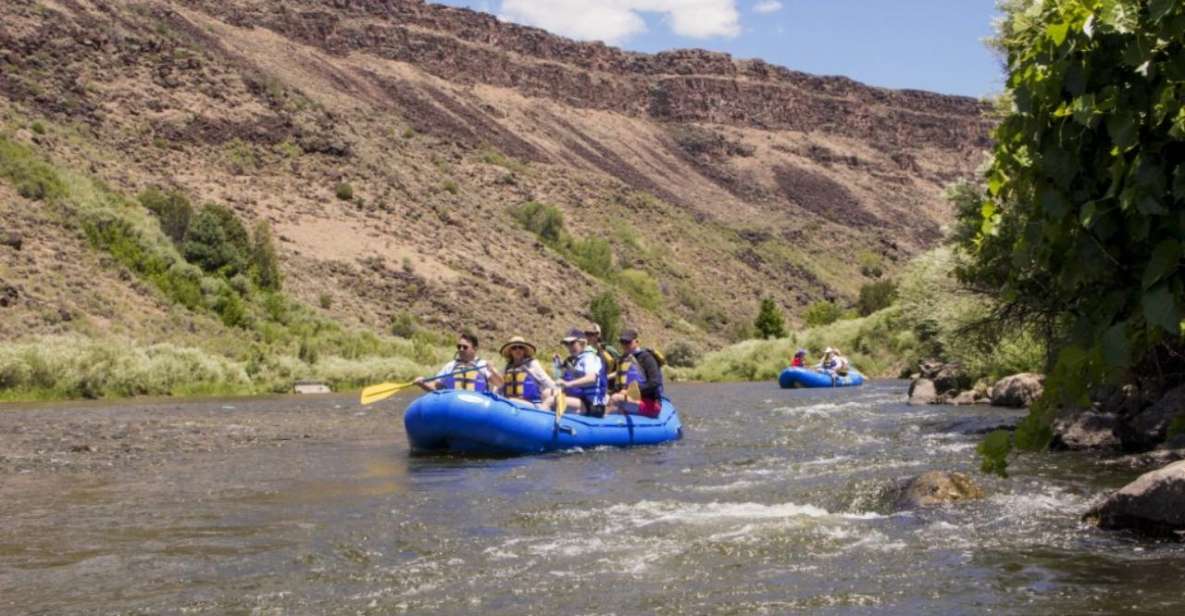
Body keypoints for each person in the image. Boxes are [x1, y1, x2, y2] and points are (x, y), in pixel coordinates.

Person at [415, 332, 502, 392]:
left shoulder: (483, 365)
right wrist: (423, 384)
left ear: (475, 349)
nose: (461, 349)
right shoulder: (450, 366)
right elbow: (436, 388)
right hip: (454, 405)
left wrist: (492, 370)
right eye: (459, 346)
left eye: (465, 347)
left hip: (477, 406)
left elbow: (500, 384)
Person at [608, 329, 664, 418]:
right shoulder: (623, 359)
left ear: (636, 342)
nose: (625, 345)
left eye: (628, 342)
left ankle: (605, 423)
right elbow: (617, 383)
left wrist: (629, 392)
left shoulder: (647, 358)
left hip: (650, 403)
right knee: (607, 398)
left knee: (616, 398)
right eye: (622, 342)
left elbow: (655, 382)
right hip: (630, 400)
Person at [556, 328, 608, 417]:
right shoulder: (578, 359)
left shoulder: (589, 357)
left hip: (594, 406)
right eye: (567, 344)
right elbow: (564, 376)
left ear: (582, 343)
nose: (569, 347)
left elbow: (591, 378)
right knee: (549, 393)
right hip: (584, 401)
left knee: (551, 401)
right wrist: (558, 365)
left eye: (572, 343)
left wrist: (568, 384)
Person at [499, 335, 558, 409]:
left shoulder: (532, 364)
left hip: (532, 405)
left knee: (512, 400)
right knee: (510, 400)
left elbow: (546, 380)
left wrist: (558, 390)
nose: (518, 350)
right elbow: (499, 387)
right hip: (511, 405)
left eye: (521, 347)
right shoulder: (506, 368)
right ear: (510, 351)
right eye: (514, 348)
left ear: (524, 350)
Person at [585, 323, 622, 393]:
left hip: (610, 387)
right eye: (587, 334)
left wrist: (606, 378)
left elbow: (622, 368)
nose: (589, 337)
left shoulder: (608, 350)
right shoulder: (585, 352)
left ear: (598, 335)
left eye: (592, 334)